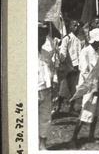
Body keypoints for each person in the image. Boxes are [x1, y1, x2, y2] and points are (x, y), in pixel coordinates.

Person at [70, 29, 99, 147]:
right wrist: (94, 87)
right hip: (88, 86)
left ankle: (91, 135)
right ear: (95, 40)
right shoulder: (85, 51)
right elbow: (84, 71)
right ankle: (73, 138)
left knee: (96, 112)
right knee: (86, 111)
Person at [55, 19, 83, 114]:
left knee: (74, 89)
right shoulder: (67, 38)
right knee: (63, 88)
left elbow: (80, 53)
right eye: (74, 25)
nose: (76, 27)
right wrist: (67, 64)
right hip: (68, 67)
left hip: (76, 67)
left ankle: (71, 108)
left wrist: (78, 65)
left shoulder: (79, 39)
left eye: (78, 26)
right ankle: (58, 108)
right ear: (70, 27)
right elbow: (63, 52)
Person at [38, 22, 56, 150]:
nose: (42, 39)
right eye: (39, 35)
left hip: (46, 90)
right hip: (34, 90)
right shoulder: (25, 53)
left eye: (44, 36)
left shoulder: (46, 53)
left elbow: (52, 69)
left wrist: (54, 83)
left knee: (45, 118)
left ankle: (43, 145)